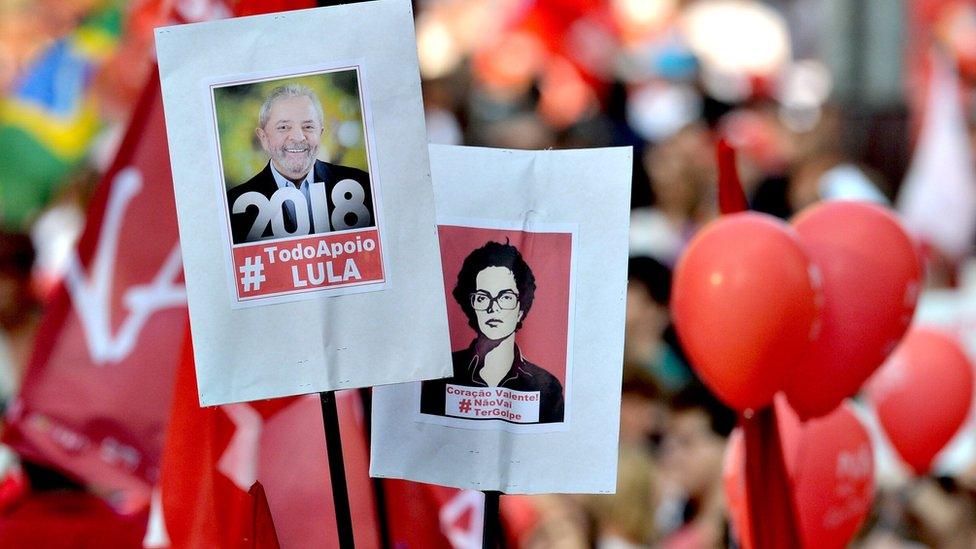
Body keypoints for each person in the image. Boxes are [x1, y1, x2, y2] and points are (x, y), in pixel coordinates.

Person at [420, 240, 565, 423]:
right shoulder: (441, 376)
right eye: (482, 298)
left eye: (505, 297)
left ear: (521, 309)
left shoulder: (546, 387)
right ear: (471, 306)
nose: (493, 308)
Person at [227, 84, 374, 244]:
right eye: (283, 127)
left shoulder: (364, 187)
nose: (298, 137)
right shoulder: (234, 208)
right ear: (263, 138)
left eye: (308, 126)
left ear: (321, 133)